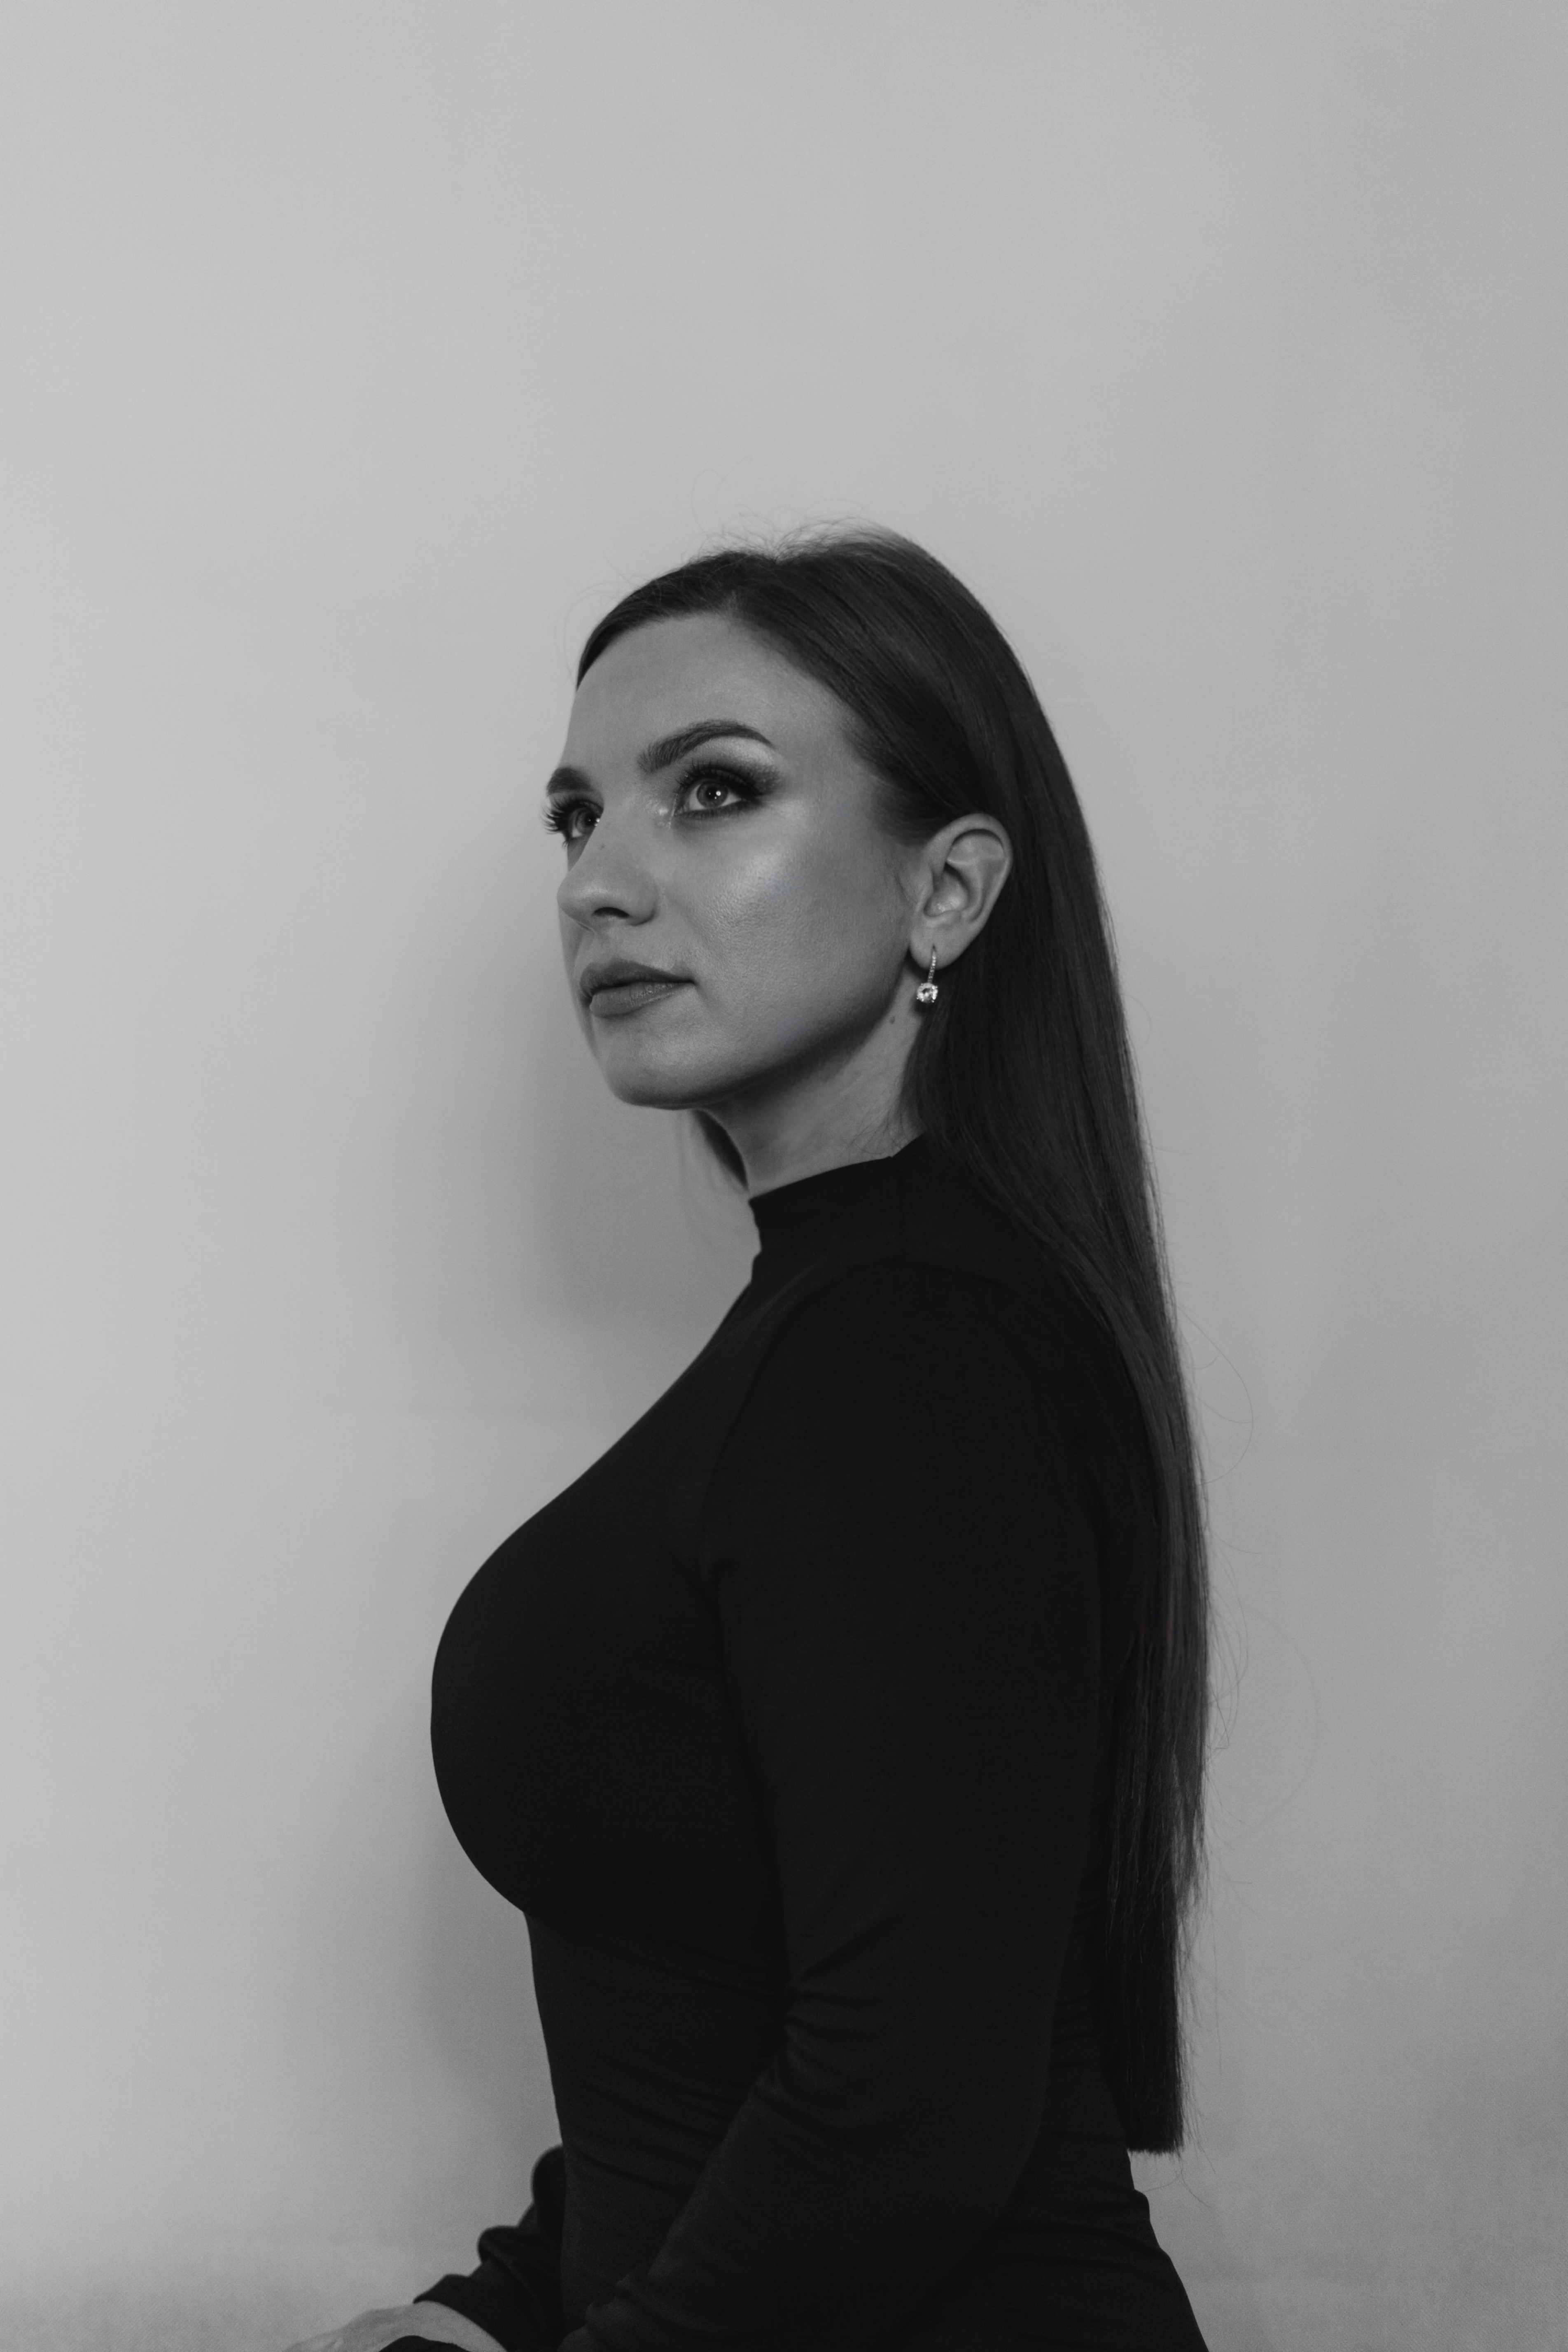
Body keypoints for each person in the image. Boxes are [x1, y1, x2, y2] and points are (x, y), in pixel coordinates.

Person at [287, 529, 1212, 2352]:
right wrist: (497, 2309)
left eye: (712, 791)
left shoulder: (903, 1346)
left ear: (948, 890)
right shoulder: (857, 1329)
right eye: (576, 819)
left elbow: (907, 2110)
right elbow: (724, 2021)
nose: (598, 882)